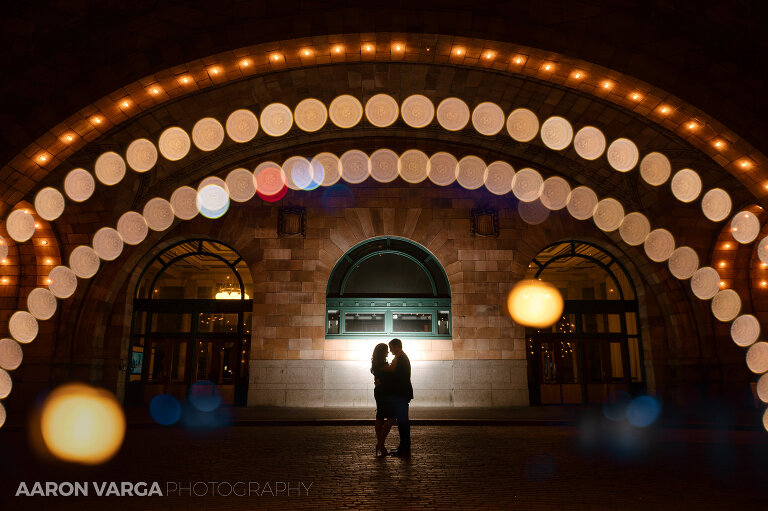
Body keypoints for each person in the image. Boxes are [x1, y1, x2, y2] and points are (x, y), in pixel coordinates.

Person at [382, 338, 413, 457]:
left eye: (391, 348)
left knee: (403, 422)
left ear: (396, 346)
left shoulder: (400, 358)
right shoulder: (402, 357)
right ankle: (403, 446)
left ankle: (404, 448)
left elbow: (397, 377)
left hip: (401, 394)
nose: (390, 350)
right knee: (402, 421)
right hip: (403, 393)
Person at [370, 343, 394, 456]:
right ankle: (380, 444)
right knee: (390, 417)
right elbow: (391, 371)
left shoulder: (376, 363)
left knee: (380, 416)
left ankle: (380, 444)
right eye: (386, 350)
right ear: (382, 352)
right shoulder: (382, 365)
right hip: (385, 392)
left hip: (379, 391)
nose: (388, 352)